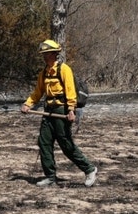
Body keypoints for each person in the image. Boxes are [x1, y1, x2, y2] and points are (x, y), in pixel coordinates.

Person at [21, 39, 98, 187]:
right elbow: (37, 93)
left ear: (54, 54)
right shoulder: (43, 73)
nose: (44, 56)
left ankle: (89, 169)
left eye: (47, 53)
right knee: (44, 142)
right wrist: (27, 104)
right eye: (43, 54)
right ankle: (50, 176)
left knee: (65, 143)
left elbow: (70, 91)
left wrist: (71, 110)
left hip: (61, 110)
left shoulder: (64, 70)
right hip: (48, 111)